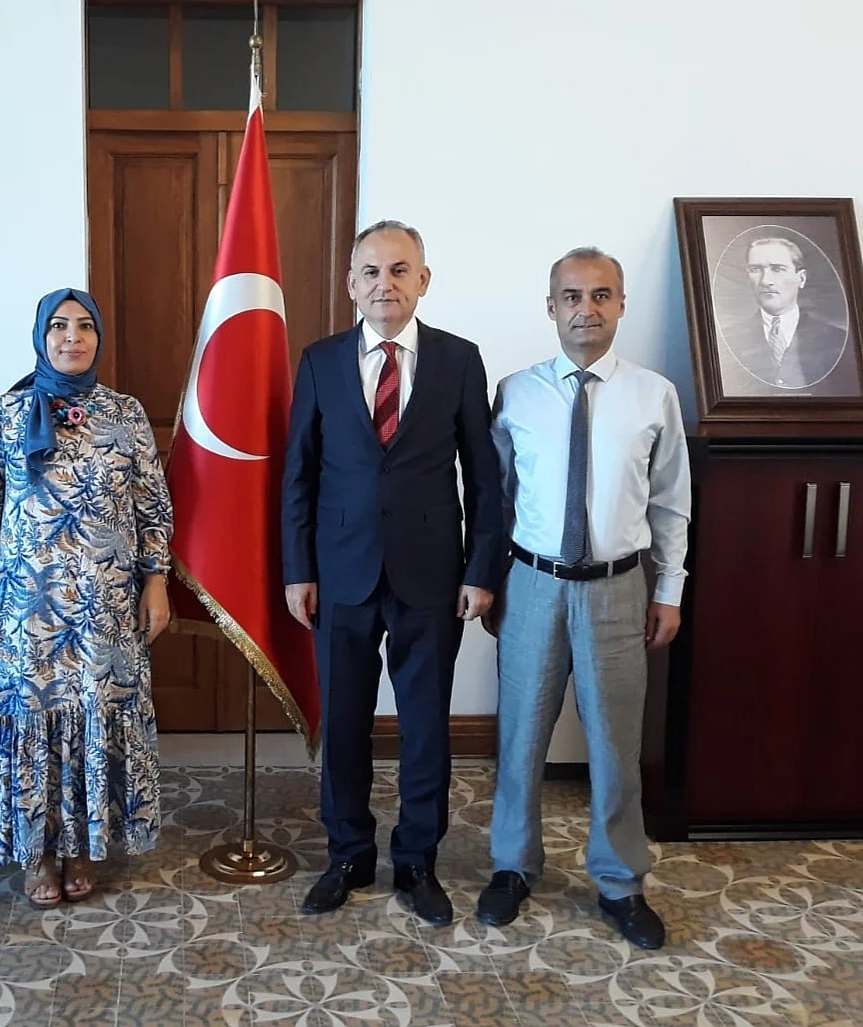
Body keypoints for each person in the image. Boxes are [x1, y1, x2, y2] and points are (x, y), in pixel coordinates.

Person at [281, 220, 504, 927]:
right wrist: (297, 569)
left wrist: (481, 569)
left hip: (431, 577)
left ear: (423, 280)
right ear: (351, 284)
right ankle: (347, 855)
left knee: (425, 728)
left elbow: (485, 478)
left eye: (399, 270)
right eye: (371, 272)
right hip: (339, 575)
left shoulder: (459, 360)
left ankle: (416, 861)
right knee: (343, 725)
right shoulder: (319, 361)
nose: (385, 284)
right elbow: (298, 474)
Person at [477, 247, 691, 950]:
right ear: (551, 307)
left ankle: (620, 880)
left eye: (601, 295)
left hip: (617, 590)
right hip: (531, 584)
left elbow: (671, 502)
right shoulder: (515, 393)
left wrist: (669, 589)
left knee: (615, 745)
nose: (585, 309)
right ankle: (512, 865)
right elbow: (494, 499)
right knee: (519, 737)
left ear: (621, 305)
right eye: (571, 296)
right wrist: (490, 581)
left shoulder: (653, 394)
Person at [0, 288, 173, 909]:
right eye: (58, 326)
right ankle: (37, 852)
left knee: (94, 712)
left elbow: (152, 505)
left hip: (105, 607)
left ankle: (83, 848)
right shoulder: (8, 413)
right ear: (40, 337)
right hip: (25, 609)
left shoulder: (125, 414)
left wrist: (156, 580)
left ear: (98, 338)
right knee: (30, 716)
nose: (72, 337)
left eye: (84, 326)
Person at [717, 235, 858, 397]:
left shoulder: (836, 339)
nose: (765, 281)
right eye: (755, 269)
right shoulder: (727, 340)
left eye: (777, 269)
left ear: (801, 278)